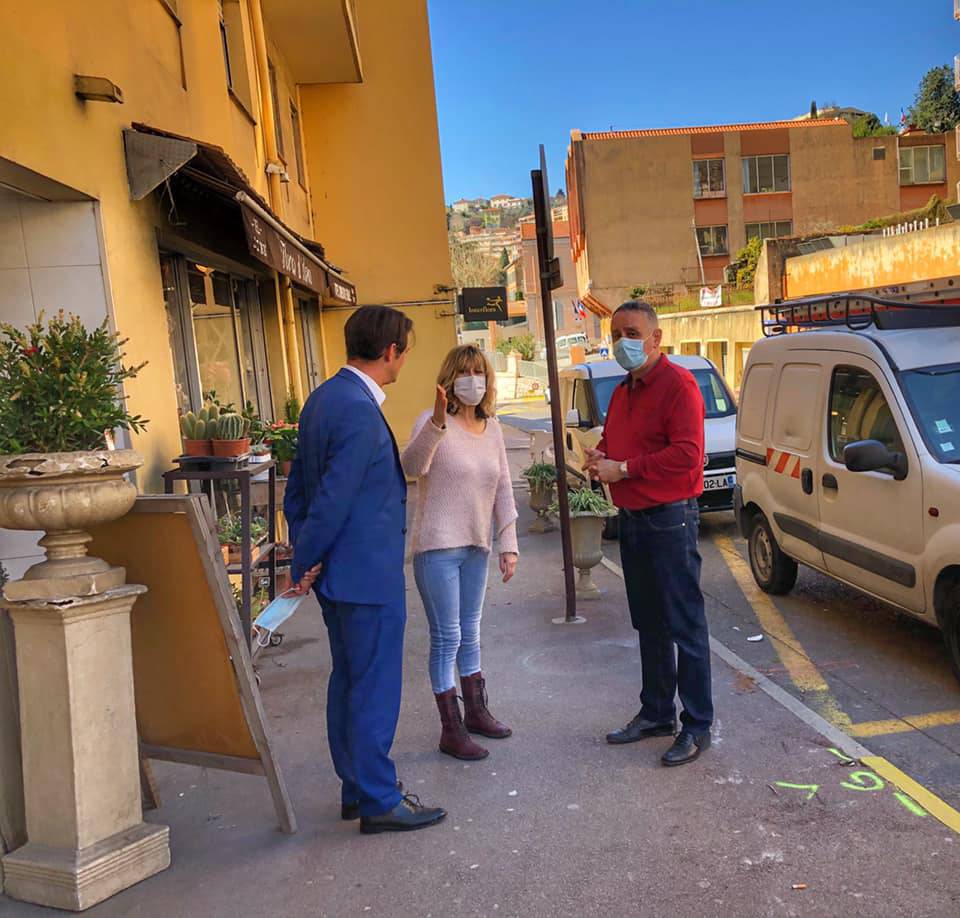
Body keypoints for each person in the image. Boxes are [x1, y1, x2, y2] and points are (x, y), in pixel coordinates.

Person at [284, 305, 446, 833]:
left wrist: (306, 557)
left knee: (350, 681)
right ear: (390, 351)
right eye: (406, 349)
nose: (404, 360)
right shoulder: (355, 407)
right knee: (373, 686)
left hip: (340, 573)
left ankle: (357, 787)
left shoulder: (323, 398)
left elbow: (299, 493)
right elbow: (330, 498)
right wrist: (304, 560)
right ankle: (378, 798)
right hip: (364, 574)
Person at [583, 300, 713, 767]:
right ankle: (657, 712)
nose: (623, 342)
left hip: (669, 519)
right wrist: (600, 457)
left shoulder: (679, 386)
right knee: (649, 624)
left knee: (685, 626)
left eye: (632, 333)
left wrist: (625, 468)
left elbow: (687, 455)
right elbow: (617, 444)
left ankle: (697, 725)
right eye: (616, 334)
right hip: (634, 519)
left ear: (657, 338)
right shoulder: (623, 390)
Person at [401, 345, 519, 761]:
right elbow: (412, 467)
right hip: (436, 548)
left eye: (479, 371)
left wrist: (509, 544)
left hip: (476, 547)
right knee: (447, 637)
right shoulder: (432, 422)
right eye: (465, 371)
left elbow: (503, 487)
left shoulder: (493, 428)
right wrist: (435, 421)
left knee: (471, 632)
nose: (474, 379)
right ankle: (450, 728)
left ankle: (476, 712)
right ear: (450, 378)